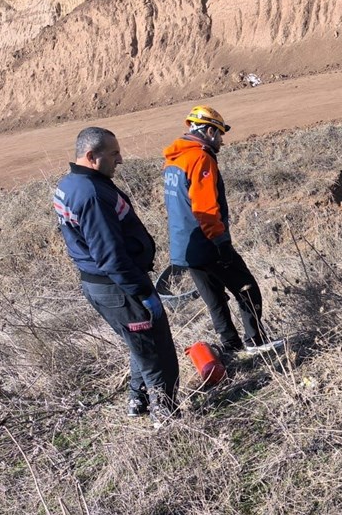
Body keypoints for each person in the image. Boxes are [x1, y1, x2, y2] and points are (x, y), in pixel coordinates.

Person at [53, 127, 179, 427]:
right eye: (113, 154)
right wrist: (142, 292)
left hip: (105, 286)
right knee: (156, 353)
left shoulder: (71, 184)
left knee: (139, 342)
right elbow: (110, 256)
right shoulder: (92, 194)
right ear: (91, 156)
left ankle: (138, 400)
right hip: (120, 287)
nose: (120, 160)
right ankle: (168, 418)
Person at [163, 105, 283, 355]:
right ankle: (256, 342)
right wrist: (221, 242)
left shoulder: (174, 160)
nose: (221, 140)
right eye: (219, 134)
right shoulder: (200, 158)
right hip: (207, 242)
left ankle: (231, 346)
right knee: (246, 287)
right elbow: (205, 207)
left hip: (184, 246)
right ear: (208, 131)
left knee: (214, 298)